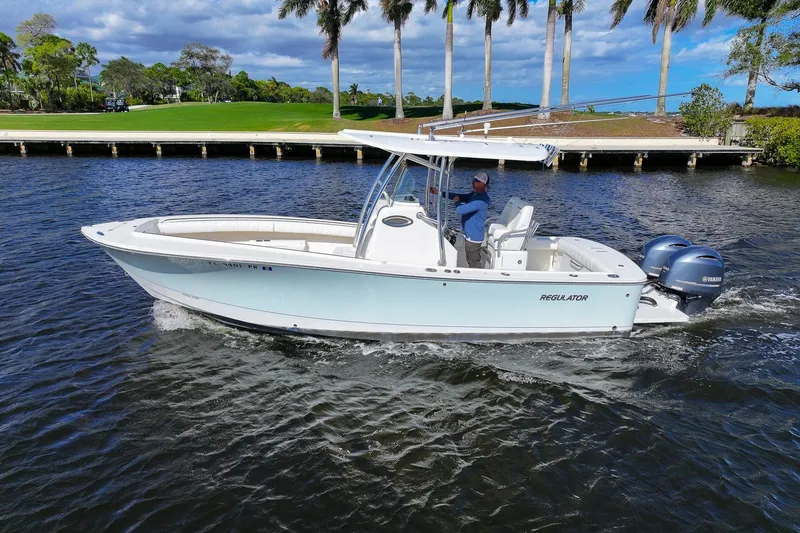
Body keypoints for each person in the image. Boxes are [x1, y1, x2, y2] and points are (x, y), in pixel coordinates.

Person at [429, 172, 491, 268]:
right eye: (473, 180)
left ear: (482, 184)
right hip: (469, 235)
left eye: (475, 181)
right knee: (470, 262)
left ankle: (476, 281)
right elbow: (456, 195)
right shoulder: (474, 195)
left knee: (474, 264)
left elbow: (460, 210)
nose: (472, 182)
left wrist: (457, 202)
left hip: (474, 239)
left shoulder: (481, 200)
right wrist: (438, 192)